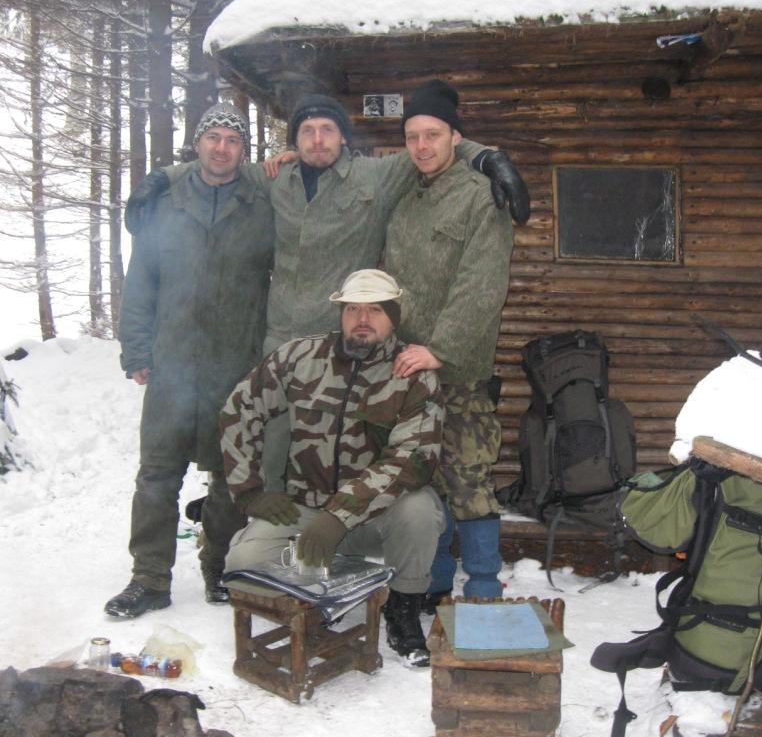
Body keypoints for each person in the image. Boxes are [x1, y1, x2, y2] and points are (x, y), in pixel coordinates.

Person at [126, 94, 529, 488]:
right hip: (280, 346)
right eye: (307, 131)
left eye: (327, 129)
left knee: (340, 457)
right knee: (272, 457)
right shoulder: (275, 179)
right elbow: (218, 165)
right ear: (295, 140)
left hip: (343, 348)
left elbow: (432, 144)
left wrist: (489, 158)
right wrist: (159, 179)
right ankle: (270, 528)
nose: (317, 139)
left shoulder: (377, 176)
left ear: (344, 137)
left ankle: (337, 531)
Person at [219, 269, 445, 667]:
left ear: (394, 317)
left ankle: (403, 608)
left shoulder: (414, 373)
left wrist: (339, 517)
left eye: (376, 309)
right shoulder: (300, 357)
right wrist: (249, 491)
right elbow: (240, 408)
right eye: (352, 309)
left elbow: (412, 458)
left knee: (420, 509)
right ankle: (324, 588)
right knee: (241, 565)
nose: (362, 319)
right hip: (307, 508)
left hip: (376, 517)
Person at [104, 103, 275, 618]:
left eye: (232, 140)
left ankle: (219, 566)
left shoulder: (261, 206)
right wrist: (136, 349)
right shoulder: (167, 204)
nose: (221, 148)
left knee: (230, 476)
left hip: (235, 362)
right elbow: (141, 283)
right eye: (213, 137)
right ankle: (149, 578)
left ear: (243, 151)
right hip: (173, 362)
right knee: (157, 475)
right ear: (197, 143)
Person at [384, 79, 515, 604]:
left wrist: (440, 349)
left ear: (456, 137)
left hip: (457, 371)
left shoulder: (482, 195)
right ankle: (434, 585)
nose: (421, 146)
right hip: (407, 369)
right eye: (412, 136)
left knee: (468, 478)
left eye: (433, 134)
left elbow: (483, 282)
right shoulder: (405, 196)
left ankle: (483, 586)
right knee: (425, 480)